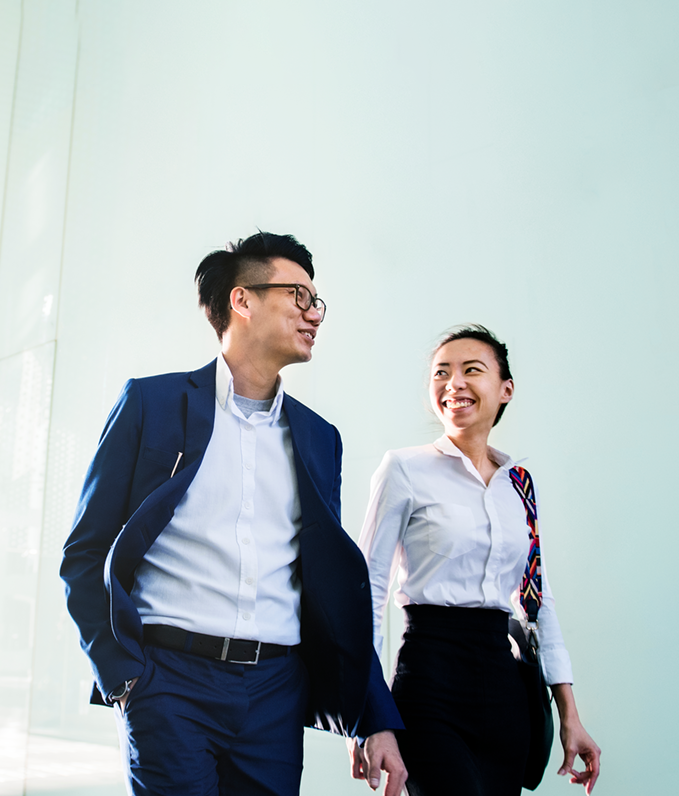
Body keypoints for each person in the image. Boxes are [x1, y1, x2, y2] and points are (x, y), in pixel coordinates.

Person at [61, 232, 406, 796]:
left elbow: (331, 591)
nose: (313, 313)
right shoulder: (151, 405)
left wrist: (376, 718)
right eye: (298, 295)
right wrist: (124, 678)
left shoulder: (320, 439)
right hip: (168, 682)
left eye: (316, 301)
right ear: (242, 301)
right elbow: (86, 552)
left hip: (274, 692)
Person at [350, 325, 602, 796]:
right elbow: (367, 594)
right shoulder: (404, 468)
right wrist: (370, 715)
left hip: (504, 689)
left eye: (472, 370)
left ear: (505, 389)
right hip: (429, 678)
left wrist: (570, 714)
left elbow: (538, 603)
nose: (454, 384)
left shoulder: (521, 485)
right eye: (441, 373)